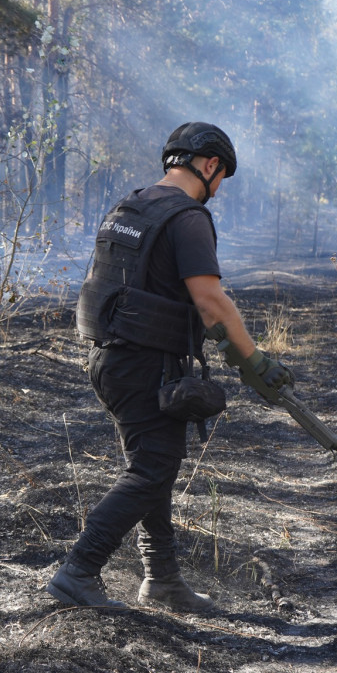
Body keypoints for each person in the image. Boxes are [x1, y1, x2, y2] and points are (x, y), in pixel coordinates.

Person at [48, 121, 294, 612]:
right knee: (154, 469)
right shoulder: (187, 218)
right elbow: (211, 302)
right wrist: (256, 361)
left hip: (108, 360)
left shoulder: (131, 207)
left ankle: (162, 579)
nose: (218, 190)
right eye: (221, 177)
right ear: (209, 165)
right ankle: (79, 570)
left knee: (150, 468)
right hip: (143, 364)